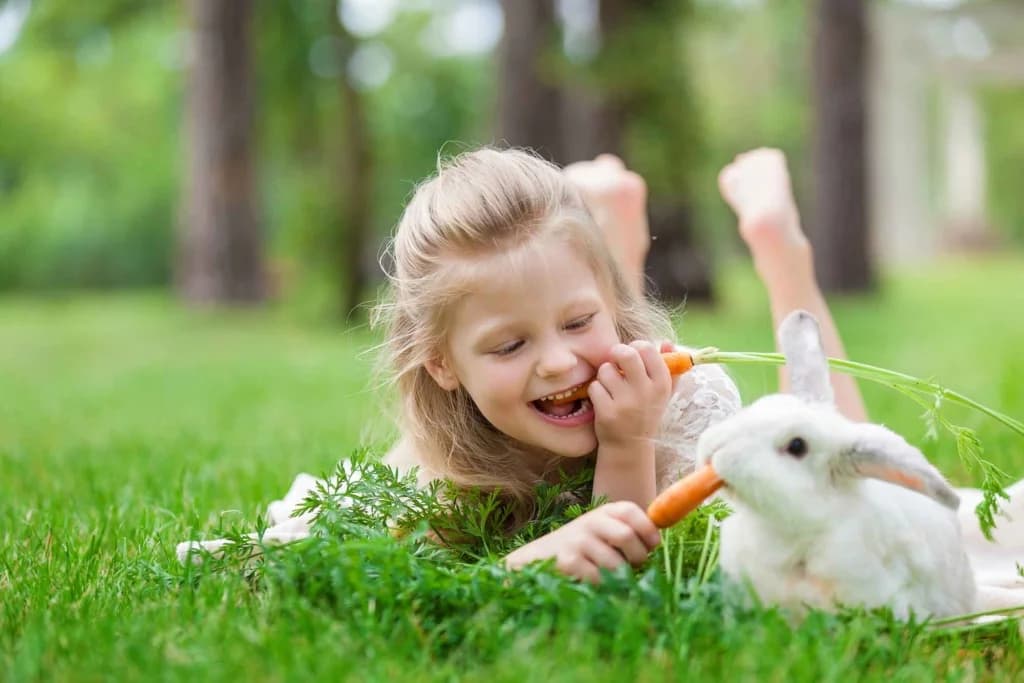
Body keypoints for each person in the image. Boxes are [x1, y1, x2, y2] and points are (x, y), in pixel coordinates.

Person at [176, 147, 861, 582]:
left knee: (837, 478)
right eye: (508, 346)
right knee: (563, 315)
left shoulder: (682, 406)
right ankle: (609, 236)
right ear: (443, 364)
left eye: (579, 322)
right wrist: (514, 566)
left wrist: (628, 442)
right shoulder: (430, 467)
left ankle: (780, 253)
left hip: (655, 408)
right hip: (485, 409)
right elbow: (306, 572)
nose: (556, 362)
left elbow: (635, 573)